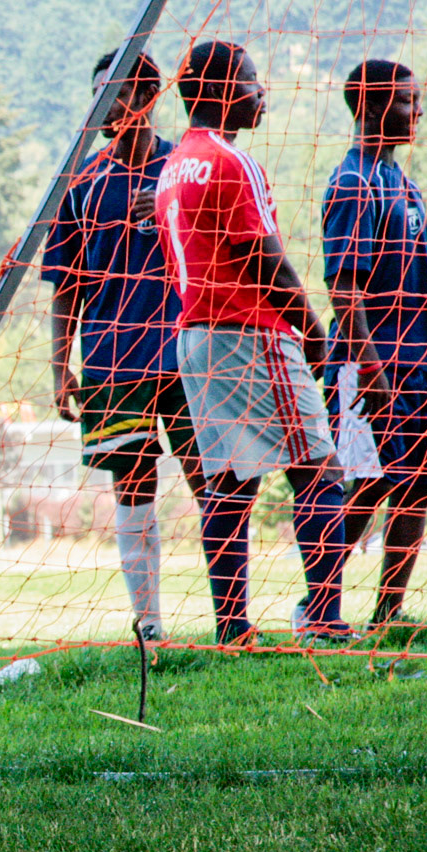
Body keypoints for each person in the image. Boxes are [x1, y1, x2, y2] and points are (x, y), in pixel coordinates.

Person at [154, 42, 350, 645]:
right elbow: (266, 262)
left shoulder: (173, 166)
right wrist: (316, 338)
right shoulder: (230, 163)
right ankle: (324, 619)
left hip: (195, 339)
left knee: (229, 486)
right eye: (251, 80)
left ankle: (233, 630)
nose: (261, 91)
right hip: (248, 332)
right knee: (320, 470)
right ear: (217, 91)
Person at [44, 50, 206, 641]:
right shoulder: (82, 182)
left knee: (209, 480)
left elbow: (225, 254)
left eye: (111, 93)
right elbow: (65, 282)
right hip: (114, 362)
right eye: (95, 94)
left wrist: (168, 213)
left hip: (188, 353)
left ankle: (231, 621)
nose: (101, 107)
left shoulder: (184, 169)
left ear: (147, 96)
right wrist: (58, 366)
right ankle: (151, 624)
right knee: (132, 487)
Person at [322, 60, 427, 628]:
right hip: (374, 366)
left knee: (417, 485)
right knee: (366, 487)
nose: (417, 110)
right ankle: (318, 607)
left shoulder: (404, 183)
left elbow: (425, 280)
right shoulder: (353, 182)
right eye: (406, 100)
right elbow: (344, 288)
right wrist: (371, 372)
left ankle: (388, 613)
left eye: (418, 99)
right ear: (372, 107)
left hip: (421, 363)